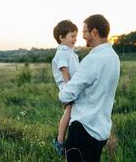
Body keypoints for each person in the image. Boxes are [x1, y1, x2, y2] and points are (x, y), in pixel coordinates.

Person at [59, 14, 120, 162]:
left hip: (83, 130)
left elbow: (65, 95)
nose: (83, 36)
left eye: (85, 31)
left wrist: (63, 91)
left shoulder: (92, 60)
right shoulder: (114, 57)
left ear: (94, 32)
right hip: (101, 131)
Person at [51, 20, 80, 156]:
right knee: (68, 114)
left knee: (73, 114)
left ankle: (71, 139)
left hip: (73, 88)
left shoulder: (70, 52)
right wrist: (69, 90)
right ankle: (60, 142)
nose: (75, 38)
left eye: (76, 35)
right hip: (68, 88)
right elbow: (64, 71)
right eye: (72, 36)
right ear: (61, 38)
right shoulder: (62, 53)